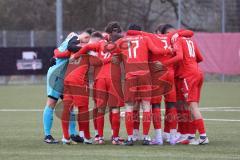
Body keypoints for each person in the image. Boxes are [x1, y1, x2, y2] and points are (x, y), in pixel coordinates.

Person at [115, 23, 168, 145]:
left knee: (129, 107)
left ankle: (130, 138)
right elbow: (156, 50)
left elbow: (114, 54)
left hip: (130, 76)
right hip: (145, 75)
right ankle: (145, 137)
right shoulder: (145, 38)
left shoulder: (121, 41)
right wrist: (169, 49)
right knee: (146, 106)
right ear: (140, 31)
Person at [72, 30, 124, 145]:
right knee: (115, 109)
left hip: (99, 78)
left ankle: (99, 137)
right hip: (113, 79)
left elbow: (86, 48)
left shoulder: (100, 44)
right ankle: (115, 138)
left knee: (100, 109)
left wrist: (75, 55)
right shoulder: (120, 45)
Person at [162, 24, 209, 145]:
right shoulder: (189, 40)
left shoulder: (177, 40)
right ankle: (191, 136)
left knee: (192, 107)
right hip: (198, 73)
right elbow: (200, 58)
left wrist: (165, 63)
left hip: (188, 76)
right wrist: (190, 62)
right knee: (189, 106)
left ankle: (203, 137)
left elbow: (179, 57)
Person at [43, 32, 78, 144]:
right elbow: (65, 52)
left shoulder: (67, 43)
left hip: (65, 77)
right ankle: (47, 135)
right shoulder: (73, 41)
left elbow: (56, 55)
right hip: (57, 76)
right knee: (51, 103)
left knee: (70, 105)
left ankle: (72, 134)